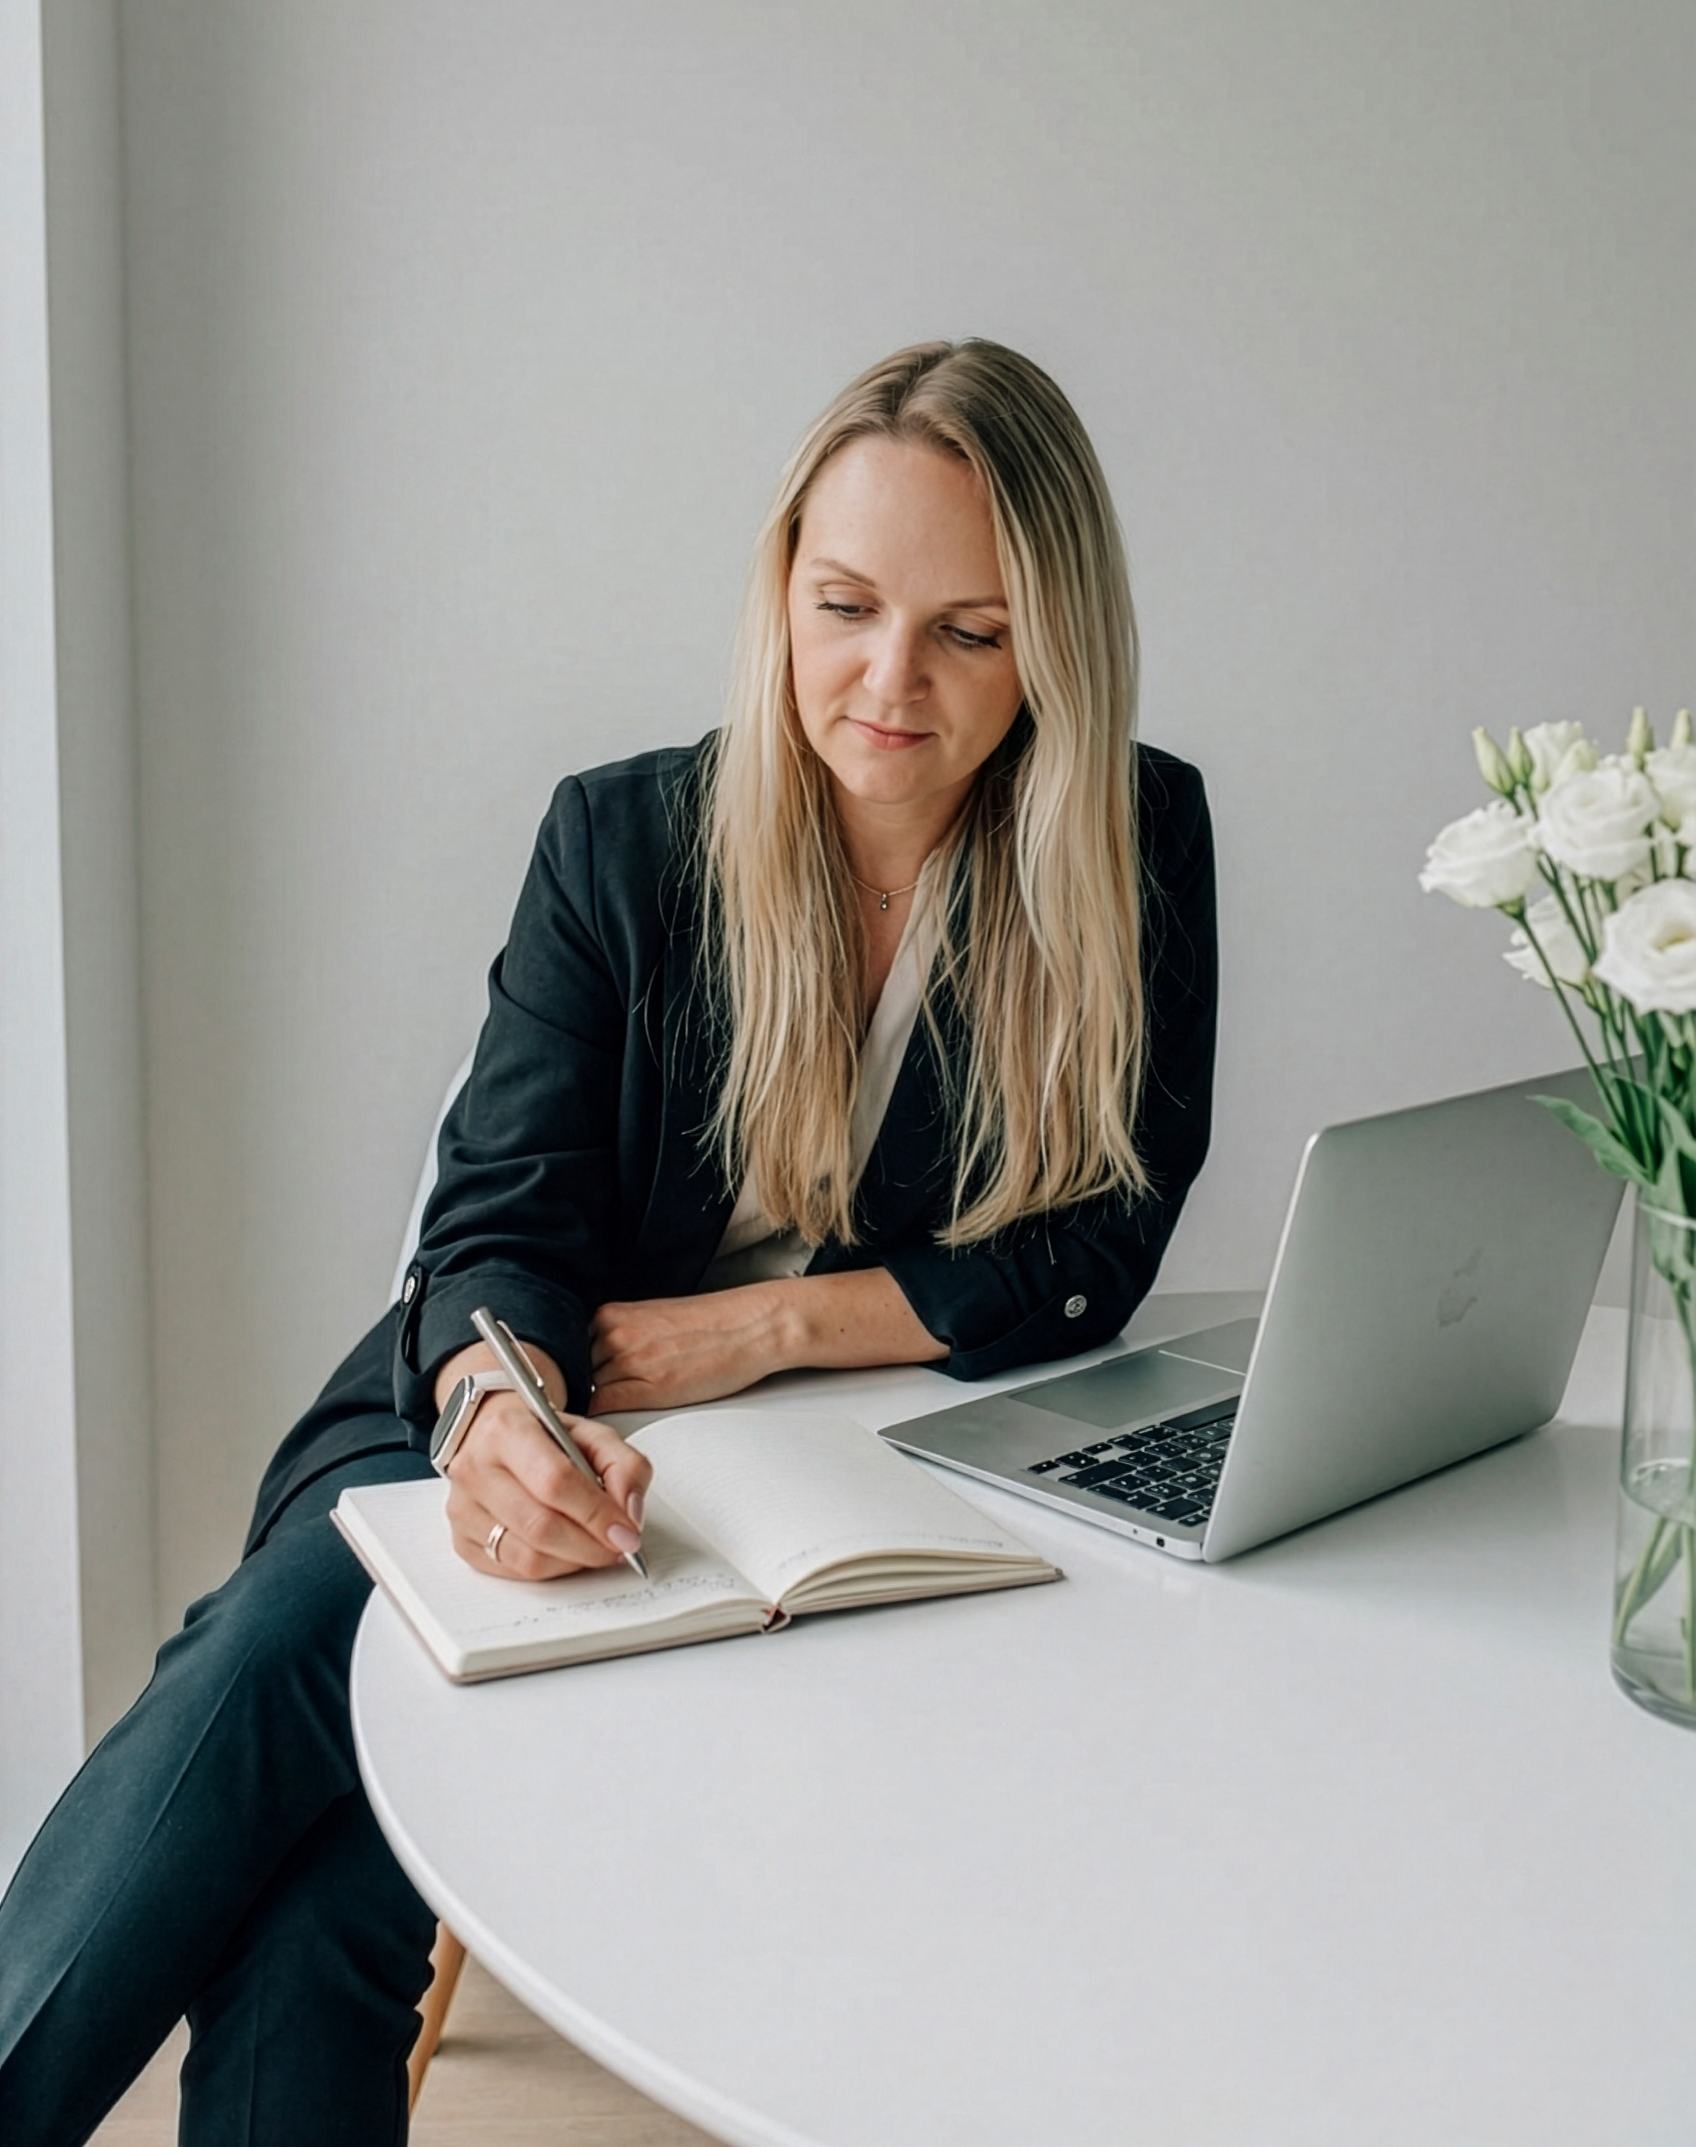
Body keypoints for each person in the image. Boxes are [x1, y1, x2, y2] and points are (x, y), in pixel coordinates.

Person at [0, 339, 1217, 2145]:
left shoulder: (1137, 839)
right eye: (849, 604)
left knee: (326, 1879)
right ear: (782, 589)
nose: (891, 680)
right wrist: (504, 1423)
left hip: (814, 1471)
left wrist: (761, 1336)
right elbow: (496, 1215)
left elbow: (1094, 1246)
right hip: (505, 1395)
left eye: (971, 629)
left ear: (1058, 641)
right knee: (285, 1692)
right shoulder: (626, 840)